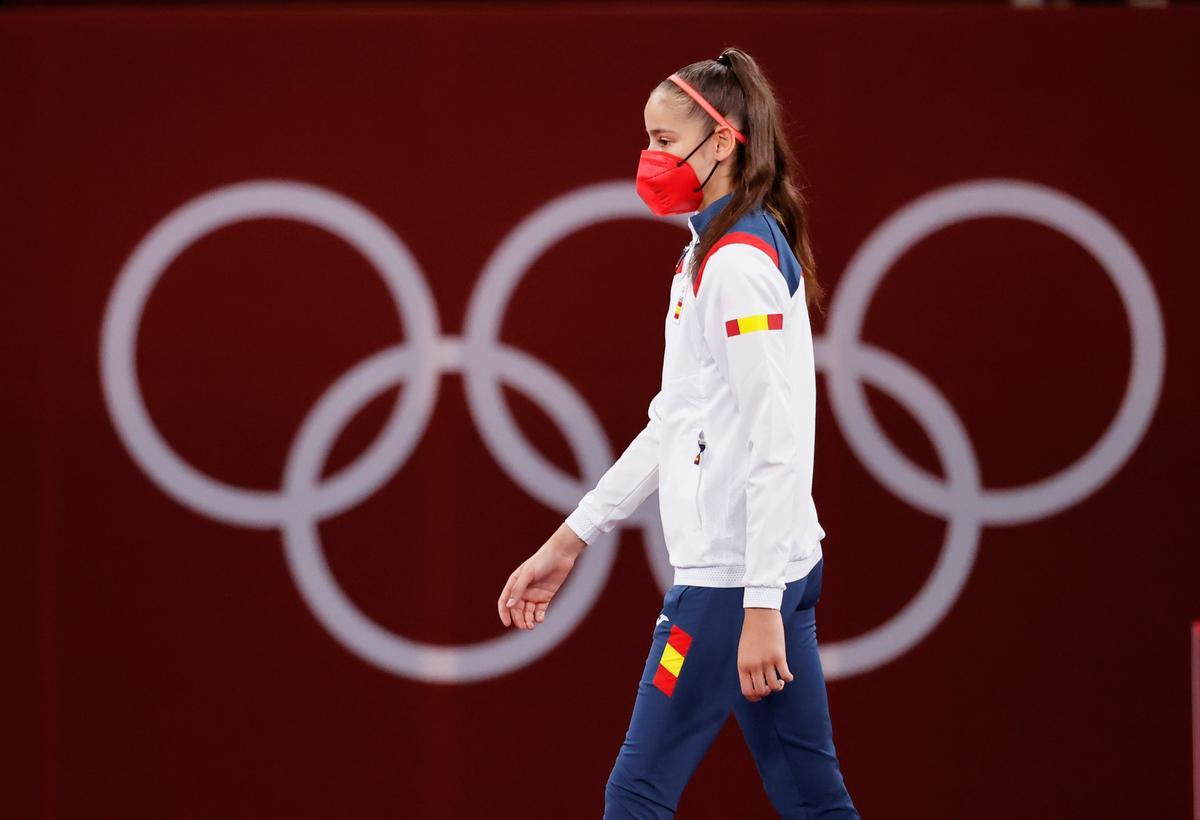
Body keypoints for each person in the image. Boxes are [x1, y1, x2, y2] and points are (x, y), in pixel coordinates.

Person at [497, 48, 860, 819]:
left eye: (665, 141)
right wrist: (569, 540)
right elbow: (676, 421)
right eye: (647, 138)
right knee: (811, 800)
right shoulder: (705, 253)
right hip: (760, 569)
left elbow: (779, 439)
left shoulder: (737, 265)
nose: (650, 158)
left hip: (734, 579)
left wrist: (760, 604)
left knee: (635, 794)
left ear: (723, 142)